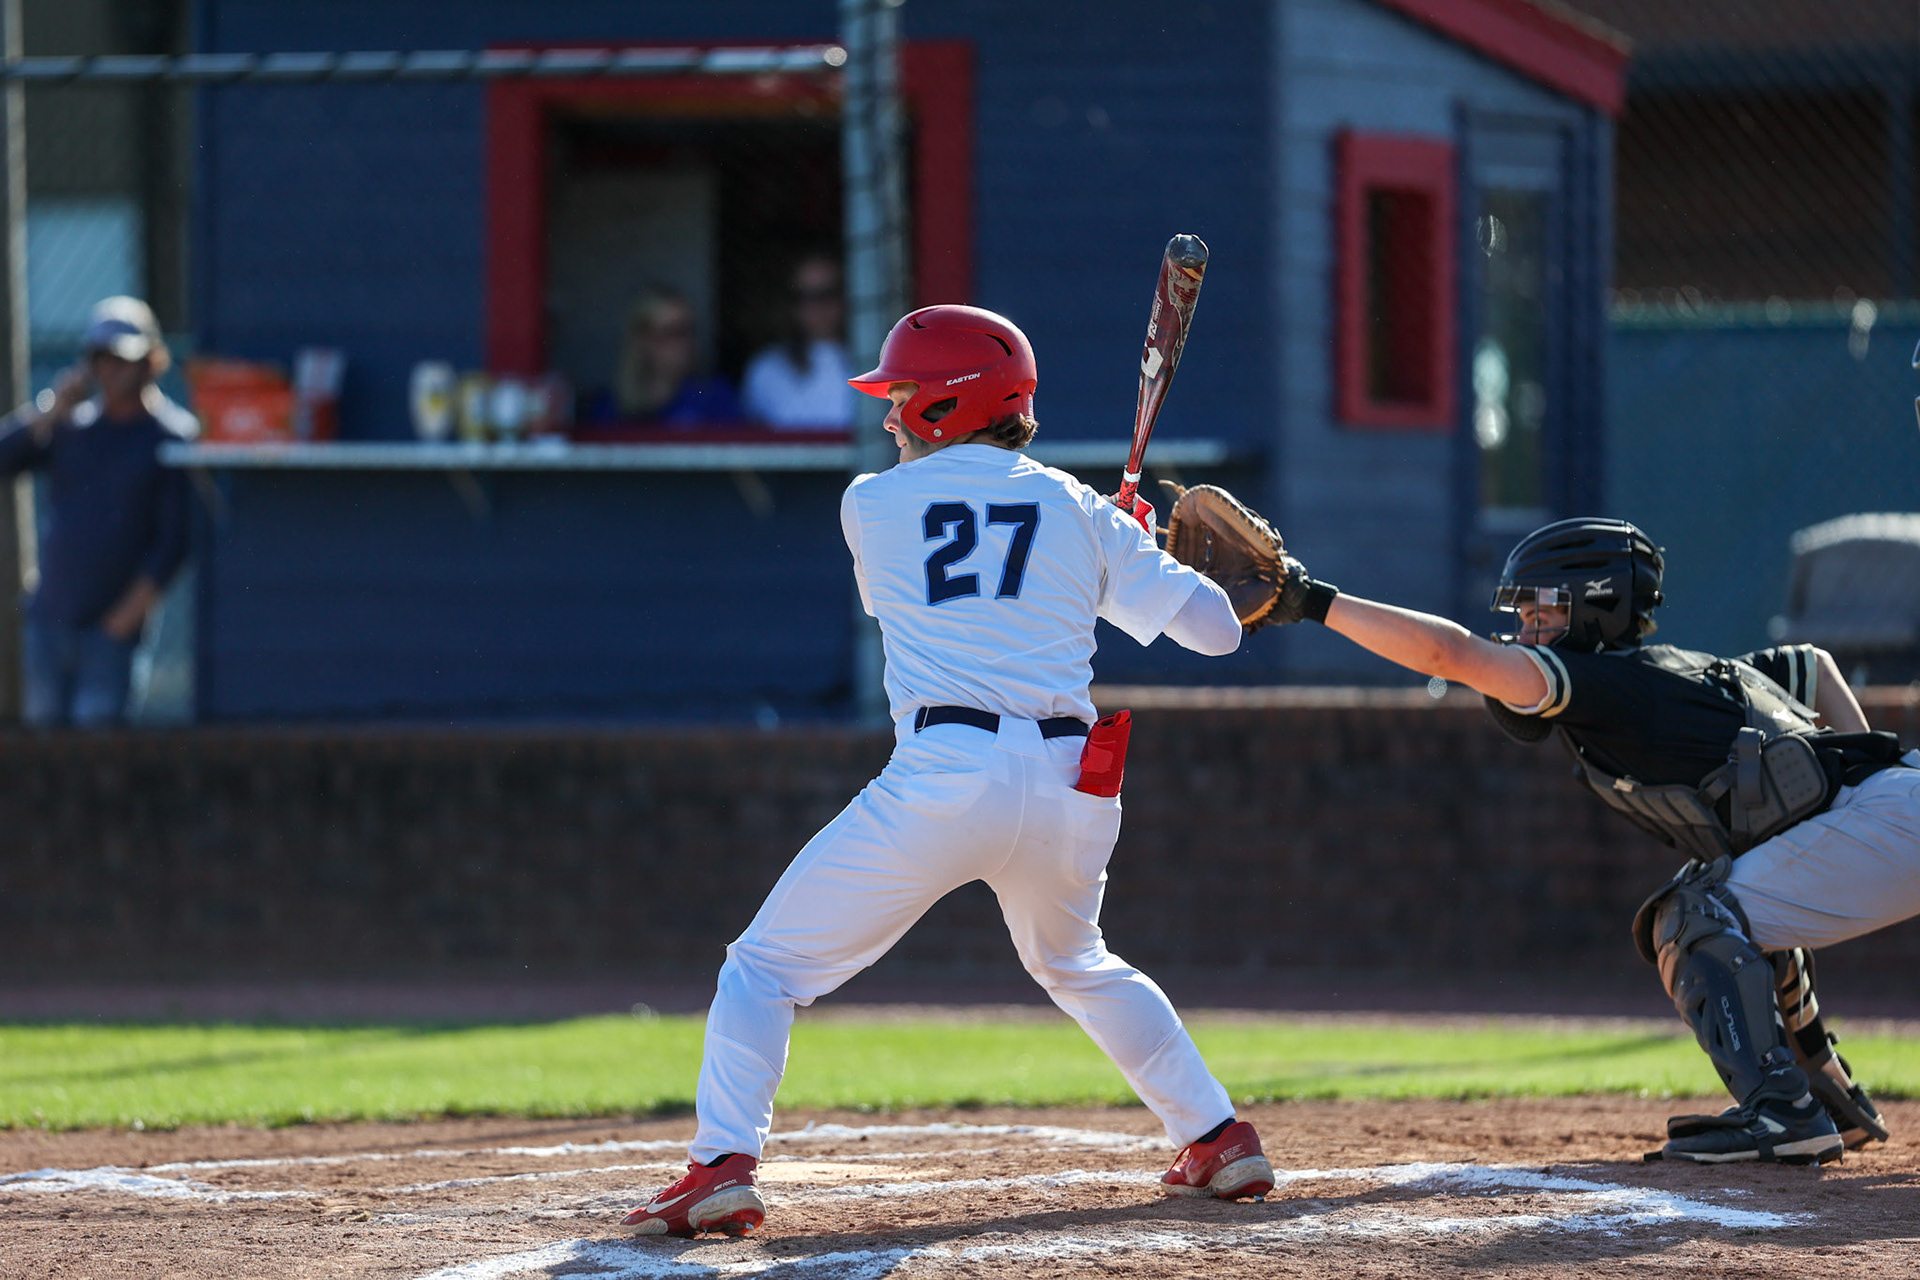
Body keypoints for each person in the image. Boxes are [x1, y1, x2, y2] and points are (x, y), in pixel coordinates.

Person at [620, 305, 1274, 1239]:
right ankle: (1215, 1133)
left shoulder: (869, 505)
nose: (890, 417)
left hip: (947, 772)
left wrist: (1093, 537)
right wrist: (1126, 544)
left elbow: (956, 558)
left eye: (902, 399)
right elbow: (1214, 632)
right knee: (1076, 959)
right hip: (1069, 784)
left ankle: (723, 1162)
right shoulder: (1081, 509)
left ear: (940, 410)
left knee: (763, 968)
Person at [1187, 509, 1911, 1165]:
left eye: (1541, 611)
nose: (1525, 629)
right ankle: (1822, 1101)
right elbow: (1810, 668)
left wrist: (1312, 601)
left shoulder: (1606, 682)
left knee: (1697, 915)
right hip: (1895, 805)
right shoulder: (1663, 675)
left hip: (1893, 818)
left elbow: (1452, 655)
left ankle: (1783, 1112)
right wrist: (1839, 801)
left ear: (1595, 606)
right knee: (1740, 900)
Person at [0, 295, 194, 727]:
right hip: (50, 622)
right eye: (100, 358)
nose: (109, 369)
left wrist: (125, 617)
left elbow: (175, 540)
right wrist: (49, 410)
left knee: (97, 746)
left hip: (111, 632)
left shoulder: (172, 437)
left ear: (151, 361)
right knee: (42, 754)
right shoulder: (72, 426)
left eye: (121, 358)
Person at [581, 287, 738, 427]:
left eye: (689, 331)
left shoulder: (714, 396)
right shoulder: (610, 404)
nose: (684, 343)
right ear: (643, 339)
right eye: (672, 332)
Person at [740, 253, 854, 430]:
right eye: (803, 297)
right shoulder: (766, 370)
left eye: (826, 295)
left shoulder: (874, 364)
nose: (814, 308)